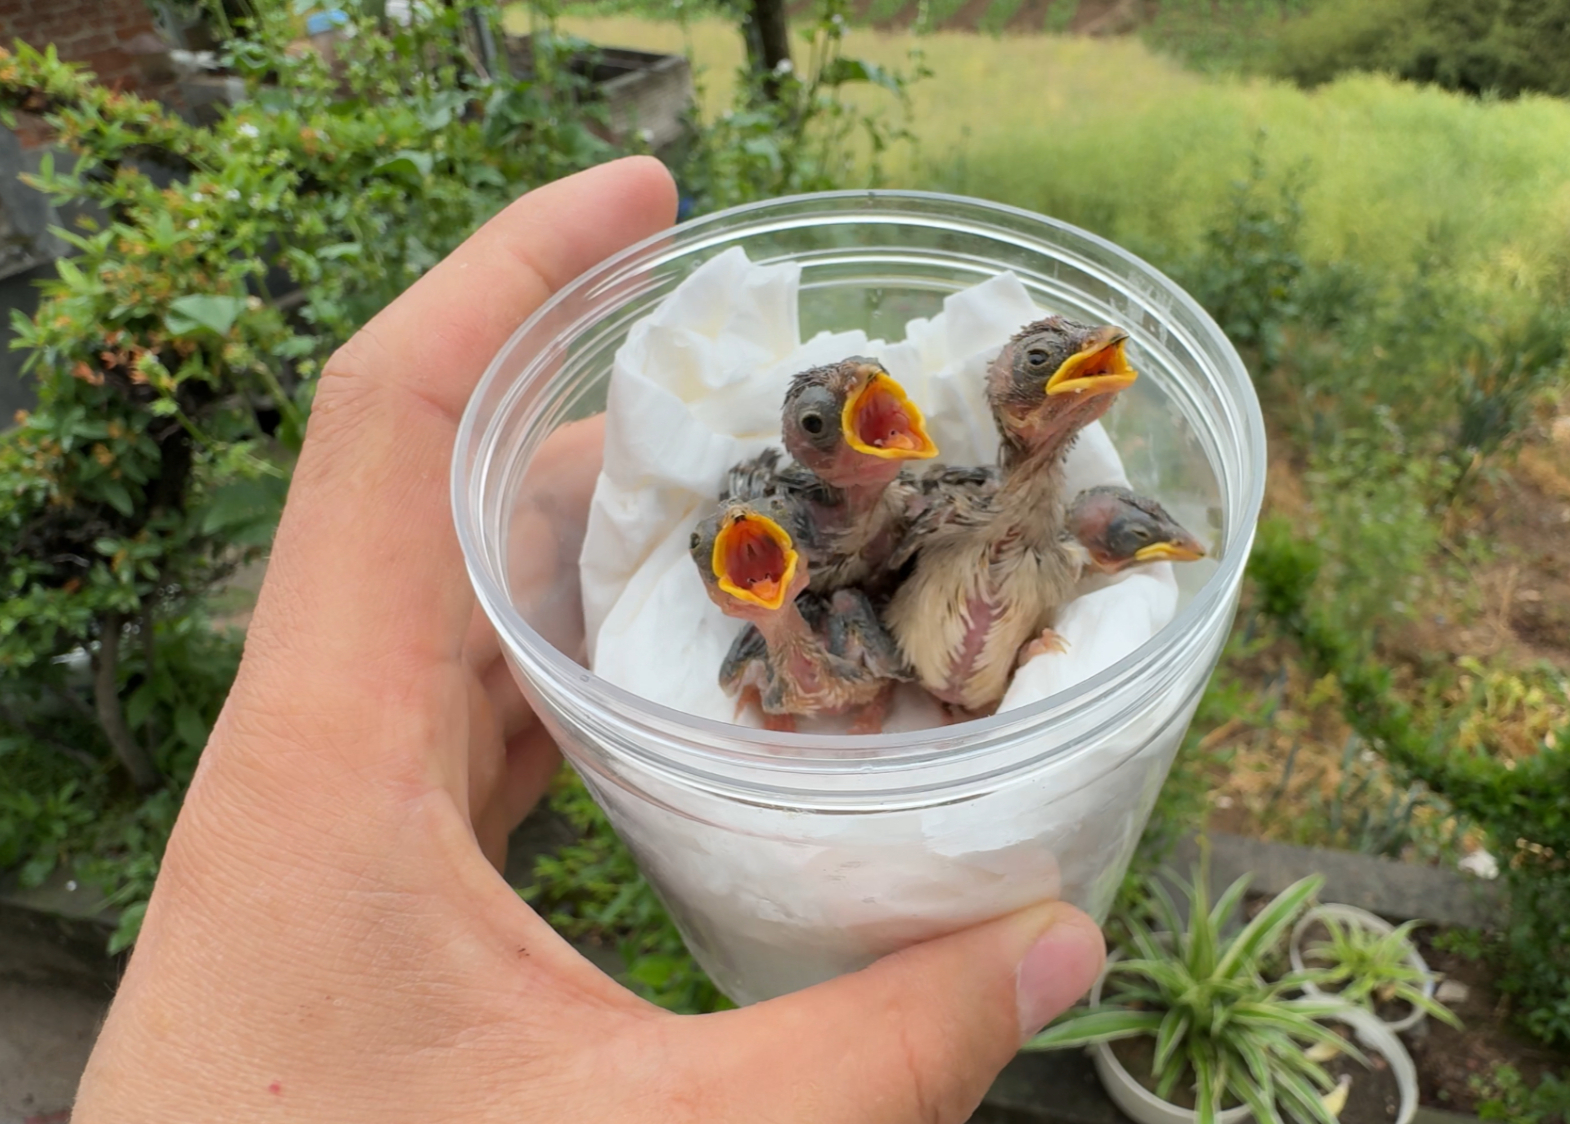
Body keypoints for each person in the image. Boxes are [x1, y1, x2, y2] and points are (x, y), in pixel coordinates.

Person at [71, 157, 1106, 1123]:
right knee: (844, 653)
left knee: (890, 636)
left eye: (870, 416)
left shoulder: (927, 507)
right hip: (801, 682)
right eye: (817, 427)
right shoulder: (797, 554)